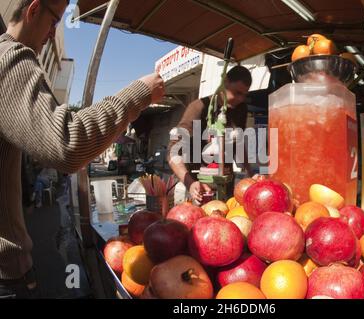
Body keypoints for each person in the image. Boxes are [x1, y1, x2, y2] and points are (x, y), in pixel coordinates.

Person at [0, 0, 165, 298]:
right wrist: (139, 92)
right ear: (33, 10)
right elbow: (68, 143)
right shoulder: (10, 58)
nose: (52, 35)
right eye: (54, 22)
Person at [168, 66, 253, 203]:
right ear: (225, 82)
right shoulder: (198, 108)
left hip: (226, 185)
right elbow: (173, 152)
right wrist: (190, 183)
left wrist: (251, 175)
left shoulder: (240, 109)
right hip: (199, 187)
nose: (241, 99)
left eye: (244, 94)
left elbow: (239, 143)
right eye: (237, 92)